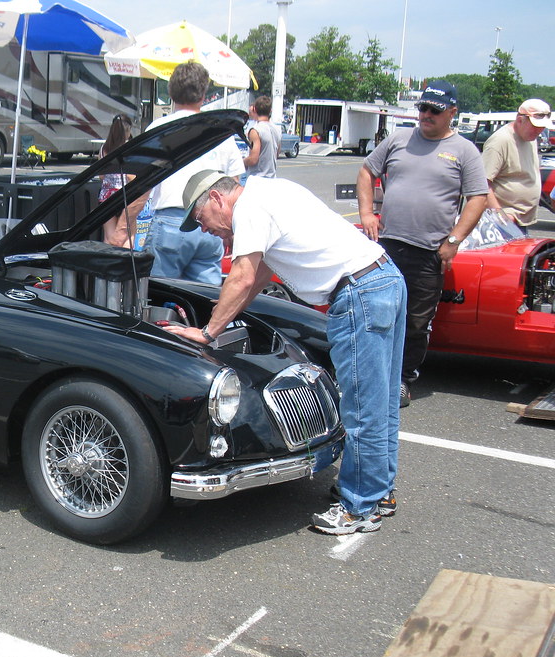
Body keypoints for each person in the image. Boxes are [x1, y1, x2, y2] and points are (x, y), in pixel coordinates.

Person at [169, 169, 406, 535]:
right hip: (382, 278)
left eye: (201, 219)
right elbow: (260, 276)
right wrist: (223, 318)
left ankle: (359, 507)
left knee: (361, 406)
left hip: (359, 293)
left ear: (217, 198)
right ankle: (378, 492)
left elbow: (243, 276)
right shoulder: (267, 192)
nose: (205, 230)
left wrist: (207, 333)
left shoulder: (249, 207)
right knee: (381, 401)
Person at [356, 80, 488, 408]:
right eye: (422, 108)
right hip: (386, 245)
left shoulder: (465, 151)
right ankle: (370, 373)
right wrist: (367, 214)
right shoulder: (399, 139)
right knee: (377, 310)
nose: (426, 115)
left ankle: (402, 378)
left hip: (429, 251)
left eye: (434, 110)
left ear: (452, 113)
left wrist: (454, 240)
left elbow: (478, 198)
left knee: (415, 321)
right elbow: (366, 172)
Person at [143, 61, 245, 285]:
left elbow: (142, 185)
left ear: (171, 92)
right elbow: (235, 184)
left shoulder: (159, 129)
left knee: (161, 296)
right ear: (203, 94)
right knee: (204, 298)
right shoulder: (221, 131)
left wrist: (124, 227)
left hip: (170, 221)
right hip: (212, 227)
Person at [482, 98, 553, 233]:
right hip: (502, 224)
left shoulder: (530, 138)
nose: (539, 131)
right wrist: (501, 218)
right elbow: (482, 184)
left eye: (542, 127)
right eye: (536, 126)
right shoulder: (500, 141)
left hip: (520, 221)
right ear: (520, 120)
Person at [97, 114, 142, 248]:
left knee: (109, 237)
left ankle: (107, 265)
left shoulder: (104, 149)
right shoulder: (130, 148)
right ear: (128, 130)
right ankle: (126, 265)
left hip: (106, 197)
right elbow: (131, 176)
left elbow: (101, 176)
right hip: (126, 197)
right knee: (129, 235)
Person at [243, 95, 281, 178]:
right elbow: (277, 154)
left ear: (255, 109)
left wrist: (242, 161)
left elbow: (253, 159)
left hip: (258, 178)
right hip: (272, 178)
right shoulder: (277, 130)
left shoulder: (255, 130)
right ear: (270, 111)